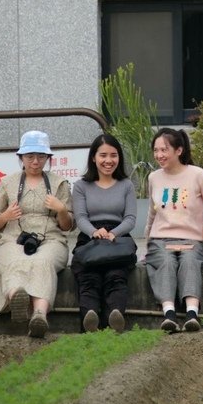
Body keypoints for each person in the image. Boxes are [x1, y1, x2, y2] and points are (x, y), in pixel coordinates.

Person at [0, 130, 74, 337]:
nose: (35, 162)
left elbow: (67, 226)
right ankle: (17, 297)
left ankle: (39, 315)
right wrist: (6, 216)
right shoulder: (8, 183)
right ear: (21, 158)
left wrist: (61, 209)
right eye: (30, 157)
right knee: (15, 260)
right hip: (13, 237)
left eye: (41, 157)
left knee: (43, 262)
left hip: (50, 238)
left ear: (48, 158)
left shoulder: (59, 183)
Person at [144, 127, 203, 332]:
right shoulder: (154, 177)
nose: (159, 155)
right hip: (160, 240)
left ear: (179, 151)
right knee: (166, 261)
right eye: (156, 150)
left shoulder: (198, 175)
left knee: (189, 261)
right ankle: (169, 313)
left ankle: (192, 313)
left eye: (164, 150)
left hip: (191, 240)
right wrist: (147, 243)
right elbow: (152, 213)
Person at [71, 133, 137, 332]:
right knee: (89, 276)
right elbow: (80, 217)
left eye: (113, 155)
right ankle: (89, 318)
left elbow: (130, 219)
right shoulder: (81, 186)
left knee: (116, 276)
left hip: (118, 237)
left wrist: (114, 233)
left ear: (119, 158)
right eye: (103, 155)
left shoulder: (127, 185)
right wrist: (94, 232)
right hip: (91, 237)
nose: (108, 160)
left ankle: (114, 317)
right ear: (94, 157)